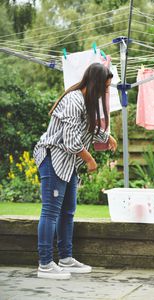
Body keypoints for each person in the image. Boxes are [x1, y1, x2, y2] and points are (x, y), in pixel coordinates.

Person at [33, 62, 118, 279]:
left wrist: (106, 137)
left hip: (67, 163)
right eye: (105, 87)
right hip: (54, 158)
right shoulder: (74, 100)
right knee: (51, 211)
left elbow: (87, 128)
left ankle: (65, 258)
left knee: (68, 210)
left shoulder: (86, 101)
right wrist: (89, 160)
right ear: (96, 84)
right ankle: (45, 264)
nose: (106, 92)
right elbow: (71, 141)